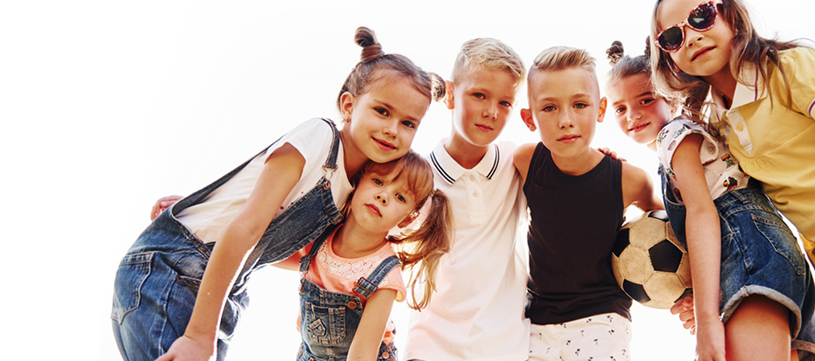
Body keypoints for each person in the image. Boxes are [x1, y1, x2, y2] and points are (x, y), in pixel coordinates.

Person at [111, 27, 441, 361]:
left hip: (222, 290)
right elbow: (244, 228)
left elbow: (301, 256)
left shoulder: (353, 193)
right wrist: (198, 336)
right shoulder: (319, 137)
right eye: (382, 111)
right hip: (174, 270)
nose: (392, 129)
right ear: (348, 105)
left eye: (408, 123)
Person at [605, 40, 815, 361]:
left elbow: (703, 211)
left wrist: (706, 319)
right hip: (766, 256)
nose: (632, 115)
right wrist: (706, 292)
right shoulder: (677, 146)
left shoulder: (675, 136)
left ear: (670, 97)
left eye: (645, 100)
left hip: (752, 257)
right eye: (620, 108)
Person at [649, 0, 815, 266]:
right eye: (673, 37)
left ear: (734, 18)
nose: (691, 38)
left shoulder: (788, 69)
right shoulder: (713, 122)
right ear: (670, 57)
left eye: (701, 16)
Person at [513, 46, 661, 361]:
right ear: (529, 118)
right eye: (549, 108)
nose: (566, 120)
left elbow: (668, 229)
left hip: (603, 317)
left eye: (580, 104)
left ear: (601, 110)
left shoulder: (630, 180)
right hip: (535, 319)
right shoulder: (525, 161)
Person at [404, 37, 533, 361]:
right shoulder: (415, 177)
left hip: (507, 349)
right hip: (430, 347)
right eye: (479, 95)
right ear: (450, 94)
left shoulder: (516, 162)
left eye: (505, 103)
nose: (491, 111)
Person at [274, 151, 452, 361]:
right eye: (378, 181)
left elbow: (362, 356)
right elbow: (276, 256)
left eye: (400, 197)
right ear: (358, 181)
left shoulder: (384, 278)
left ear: (406, 219)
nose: (383, 196)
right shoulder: (322, 236)